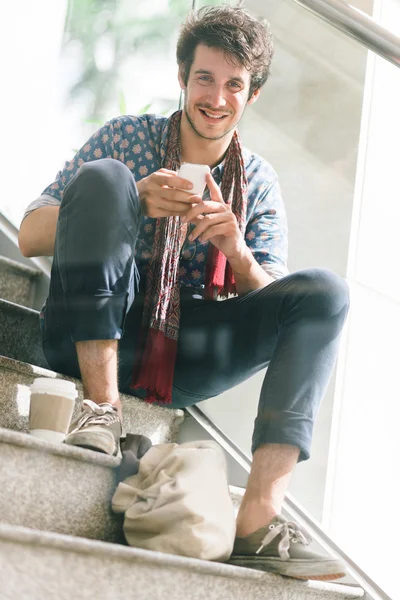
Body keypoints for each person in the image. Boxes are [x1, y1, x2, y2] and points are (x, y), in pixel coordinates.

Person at [19, 4, 350, 582]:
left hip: (187, 354)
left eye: (234, 85)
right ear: (181, 78)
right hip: (86, 329)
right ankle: (99, 409)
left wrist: (239, 254)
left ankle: (259, 519)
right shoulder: (129, 136)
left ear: (253, 95)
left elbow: (279, 302)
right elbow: (27, 236)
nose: (216, 97)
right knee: (106, 177)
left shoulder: (261, 183)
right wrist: (132, 199)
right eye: (205, 78)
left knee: (325, 292)